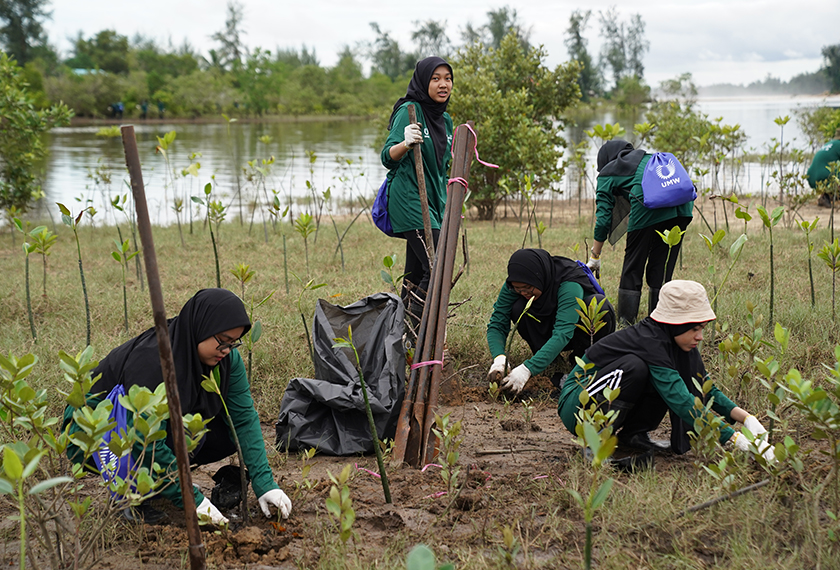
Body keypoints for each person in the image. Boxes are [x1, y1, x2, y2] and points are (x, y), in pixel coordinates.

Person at [63, 289, 291, 525]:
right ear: (201, 328)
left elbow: (243, 419)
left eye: (234, 344)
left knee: (222, 432)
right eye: (222, 342)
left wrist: (265, 484)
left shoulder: (227, 361)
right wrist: (193, 500)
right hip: (96, 432)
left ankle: (162, 481)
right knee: (166, 437)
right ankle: (132, 495)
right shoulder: (155, 361)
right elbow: (146, 438)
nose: (226, 350)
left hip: (155, 431)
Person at [557, 280, 774, 459]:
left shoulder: (681, 343)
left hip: (602, 394)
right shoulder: (650, 341)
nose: (700, 336)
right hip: (577, 405)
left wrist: (747, 419)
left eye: (702, 329)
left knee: (662, 376)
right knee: (635, 367)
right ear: (676, 325)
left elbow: (706, 390)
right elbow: (681, 400)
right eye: (694, 329)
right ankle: (594, 439)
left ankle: (633, 436)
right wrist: (733, 438)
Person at [586, 140, 694, 327]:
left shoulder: (608, 172)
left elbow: (603, 219)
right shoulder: (649, 159)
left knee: (633, 264)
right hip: (683, 205)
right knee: (662, 263)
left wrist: (595, 256)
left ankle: (626, 322)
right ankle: (660, 319)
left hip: (647, 205)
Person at [380, 56, 454, 326]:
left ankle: (398, 335)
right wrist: (405, 142)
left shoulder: (446, 121)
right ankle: (417, 332)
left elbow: (441, 168)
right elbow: (387, 157)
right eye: (435, 78)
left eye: (447, 78)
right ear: (424, 81)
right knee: (437, 268)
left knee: (415, 273)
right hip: (409, 198)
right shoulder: (409, 110)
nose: (443, 84)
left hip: (433, 202)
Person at [486, 249, 616, 395]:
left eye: (528, 288)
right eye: (518, 289)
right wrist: (499, 359)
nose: (524, 293)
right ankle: (551, 359)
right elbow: (497, 322)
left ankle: (580, 360)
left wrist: (527, 369)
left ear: (539, 278)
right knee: (517, 308)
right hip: (549, 327)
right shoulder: (516, 284)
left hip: (581, 330)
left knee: (598, 305)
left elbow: (563, 333)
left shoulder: (569, 283)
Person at [807, 128, 840, 207]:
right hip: (825, 176)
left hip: (812, 178)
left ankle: (826, 196)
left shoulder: (831, 143)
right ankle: (827, 196)